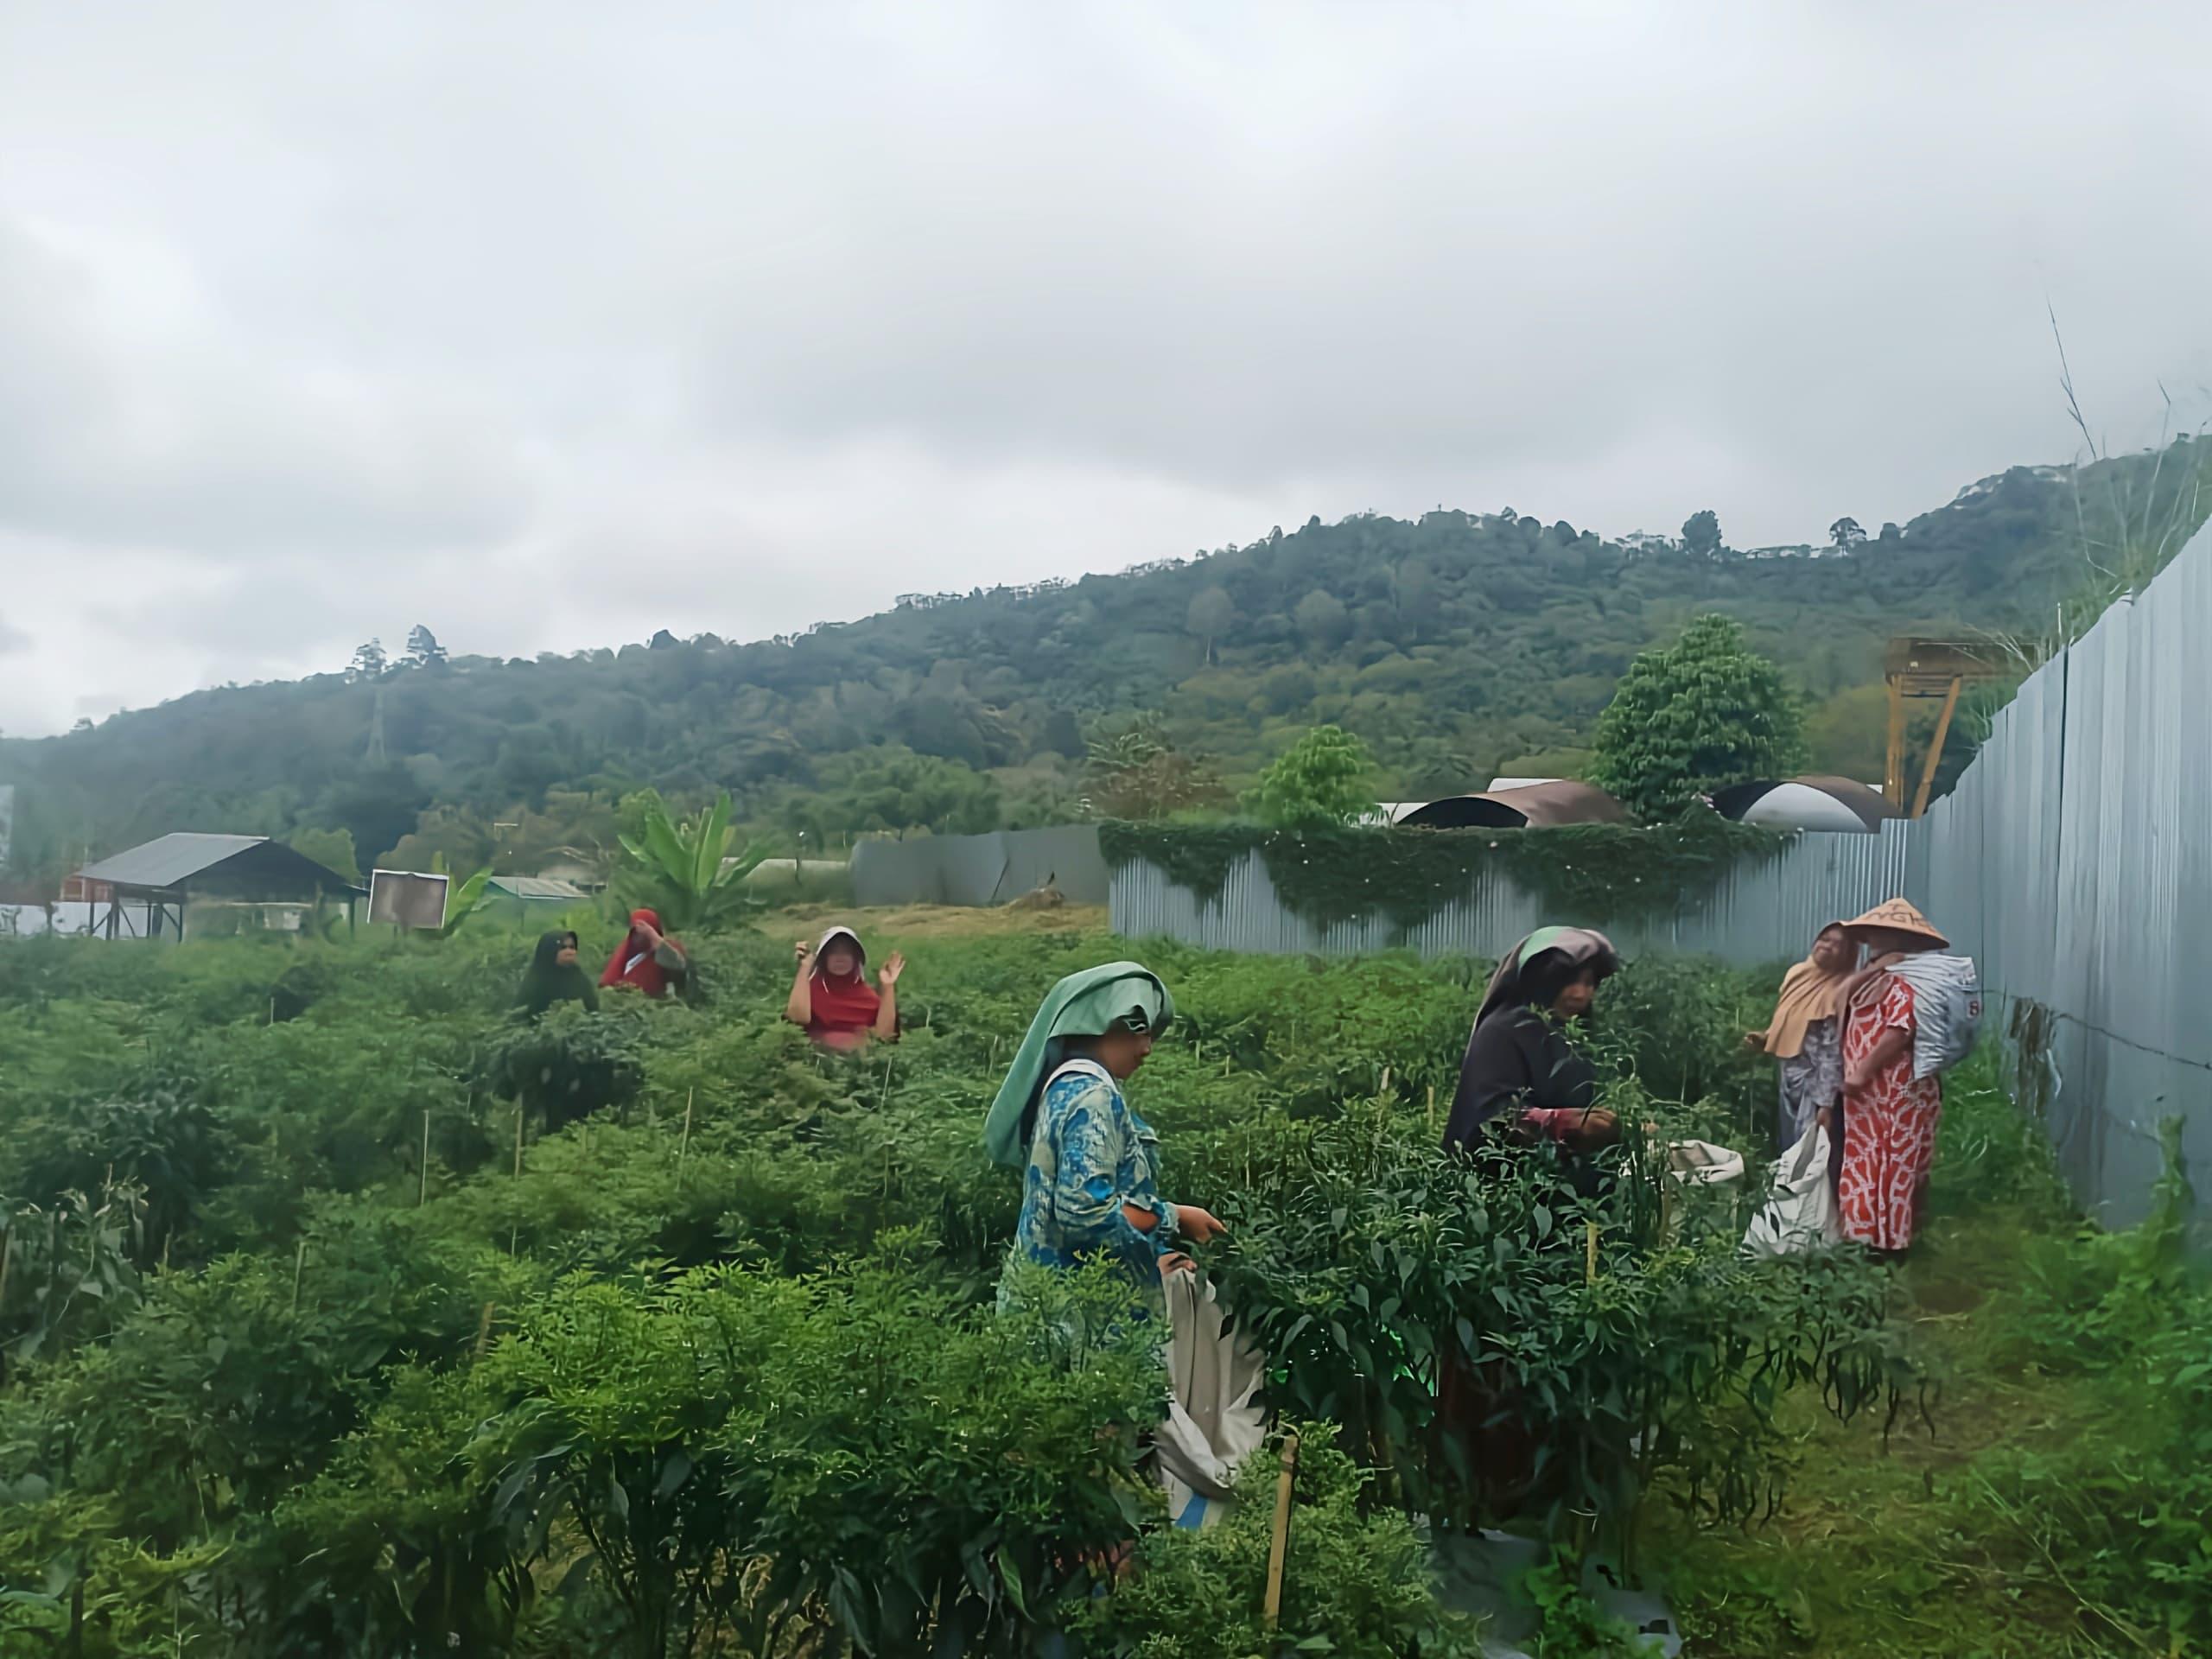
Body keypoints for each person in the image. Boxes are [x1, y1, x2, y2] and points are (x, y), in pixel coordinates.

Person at [983, 962, 1226, 1305]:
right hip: (1082, 1319)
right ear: (1096, 1022)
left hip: (1042, 1302)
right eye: (1136, 1029)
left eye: (1151, 1034)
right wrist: (1172, 1218)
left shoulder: (1064, 1086)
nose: (1146, 1048)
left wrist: (1154, 1243)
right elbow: (1086, 1214)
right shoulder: (1093, 1098)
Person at [1443, 926, 1623, 1156]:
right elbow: (1490, 1120)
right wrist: (1558, 1122)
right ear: (1541, 980)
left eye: (1588, 983)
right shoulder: (1502, 1032)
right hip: (1504, 1180)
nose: (1580, 994)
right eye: (1567, 981)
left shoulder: (1573, 1034)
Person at [1835, 898, 1949, 1255]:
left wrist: (1862, 1073)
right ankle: (1867, 1233)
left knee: (1892, 1157)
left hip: (1894, 1085)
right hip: (1872, 1089)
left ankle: (1890, 1240)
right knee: (1870, 1156)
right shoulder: (1880, 972)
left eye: (1880, 931)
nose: (1871, 936)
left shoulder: (1907, 976)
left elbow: (1900, 1030)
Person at [1745, 923, 1853, 1151]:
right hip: (1789, 1077)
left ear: (1848, 954)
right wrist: (1767, 1037)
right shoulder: (1798, 974)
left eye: (1838, 945)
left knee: (1811, 1151)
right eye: (1825, 939)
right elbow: (1791, 1019)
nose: (1828, 946)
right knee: (1789, 1145)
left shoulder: (1840, 989)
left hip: (1814, 1085)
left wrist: (1825, 1105)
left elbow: (1832, 1053)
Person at [785, 925, 903, 1049]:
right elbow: (796, 1020)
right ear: (823, 958)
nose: (840, 958)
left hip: (859, 1065)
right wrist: (805, 967)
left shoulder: (869, 997)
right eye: (834, 952)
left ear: (856, 958)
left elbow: (885, 1037)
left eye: (846, 952)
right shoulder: (808, 992)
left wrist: (888, 986)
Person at [599, 908, 690, 999]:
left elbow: (679, 965)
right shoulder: (625, 951)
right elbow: (609, 980)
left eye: (643, 933)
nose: (639, 938)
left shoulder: (670, 947)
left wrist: (653, 937)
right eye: (635, 933)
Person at [516, 929, 599, 1018]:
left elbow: (593, 1010)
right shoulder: (536, 981)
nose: (569, 952)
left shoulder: (580, 978)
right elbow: (520, 1016)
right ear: (549, 951)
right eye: (563, 948)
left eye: (572, 947)